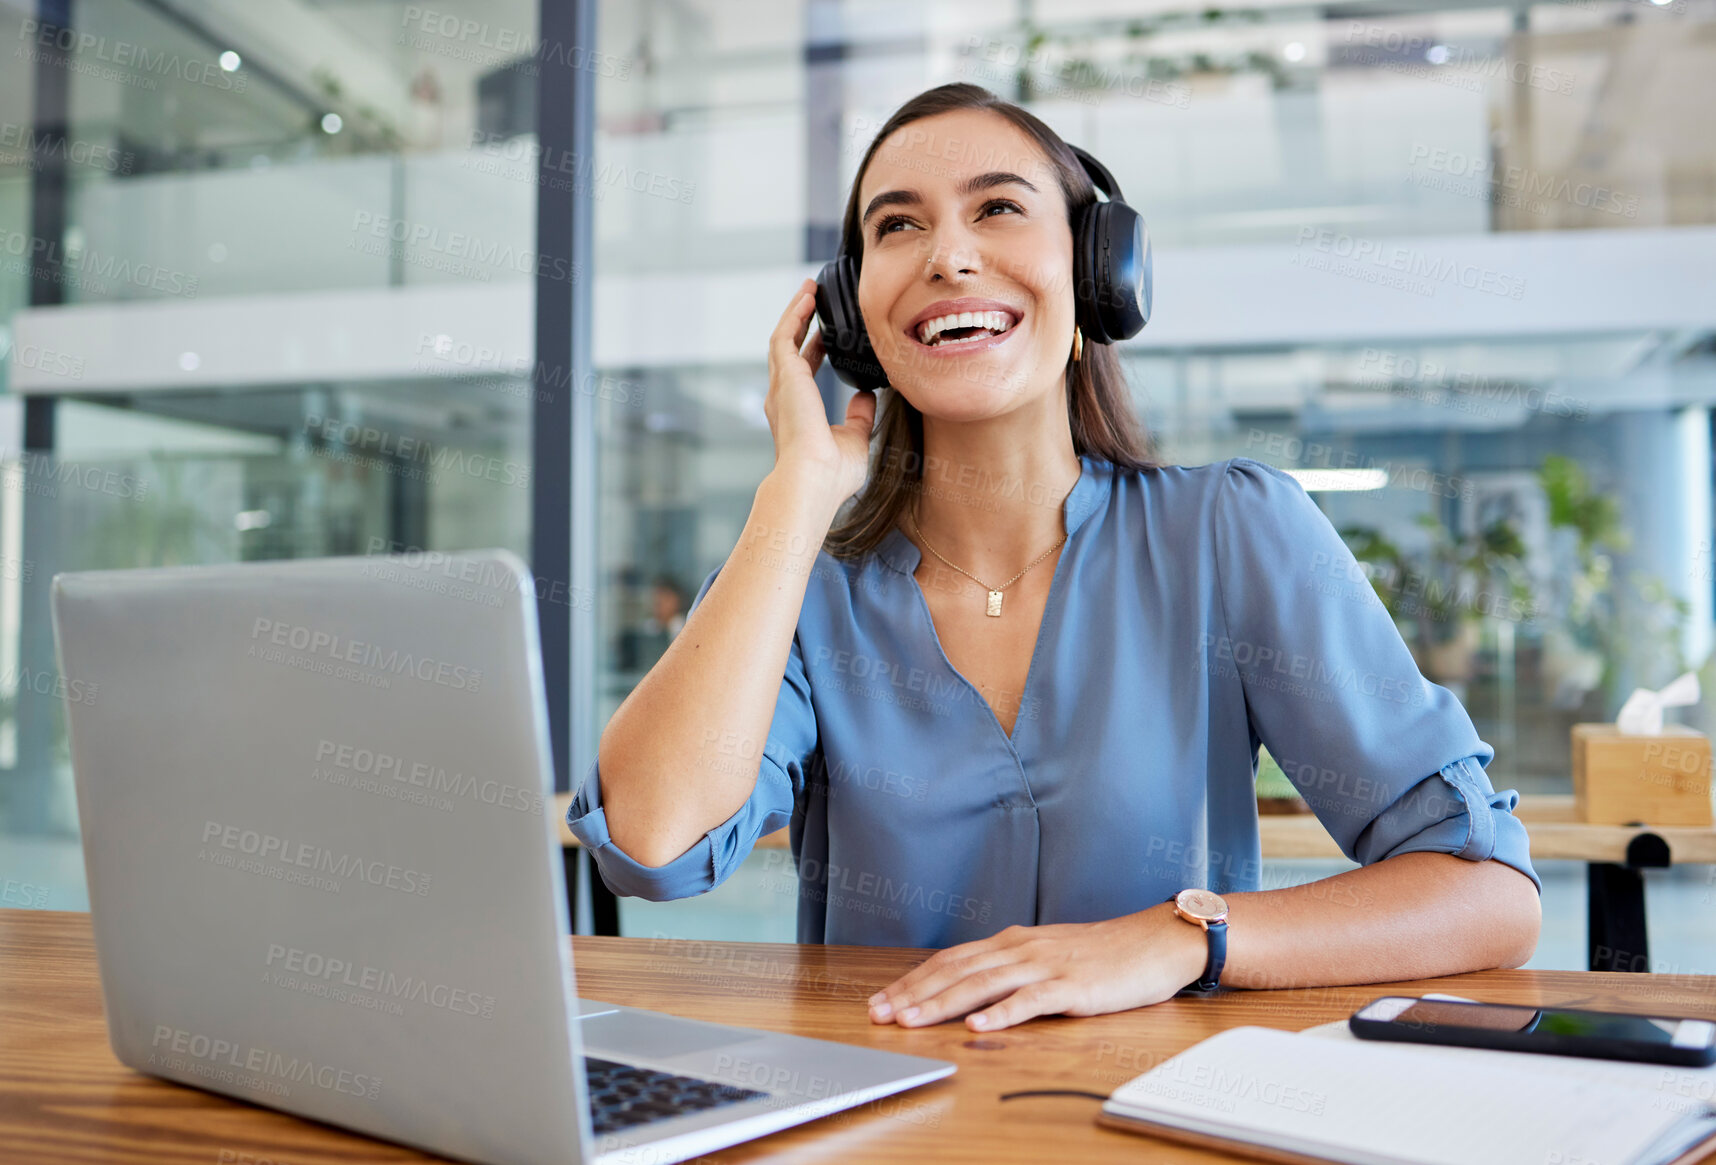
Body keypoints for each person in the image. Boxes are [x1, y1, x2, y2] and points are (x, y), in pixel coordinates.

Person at [568, 82, 1541, 1033]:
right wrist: (796, 493)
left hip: (1158, 1123)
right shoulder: (804, 594)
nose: (949, 254)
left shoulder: (1232, 532)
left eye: (997, 208)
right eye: (897, 226)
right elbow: (651, 844)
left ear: (1093, 277)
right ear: (854, 319)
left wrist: (1181, 938)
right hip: (876, 1130)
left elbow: (1488, 895)